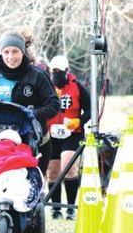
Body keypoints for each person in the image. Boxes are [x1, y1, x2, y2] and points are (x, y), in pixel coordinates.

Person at [0, 30, 60, 175]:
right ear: (1, 53)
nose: (10, 57)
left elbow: (53, 105)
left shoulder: (37, 75)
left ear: (23, 52)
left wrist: (29, 114)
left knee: (30, 189)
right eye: (6, 52)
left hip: (33, 141)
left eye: (15, 52)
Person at [46, 55, 90, 221]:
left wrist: (79, 121)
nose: (56, 75)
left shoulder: (76, 87)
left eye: (59, 72)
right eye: (53, 72)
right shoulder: (48, 86)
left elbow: (89, 109)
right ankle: (56, 209)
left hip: (72, 133)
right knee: (52, 171)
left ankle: (71, 208)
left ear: (66, 71)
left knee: (69, 166)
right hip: (51, 133)